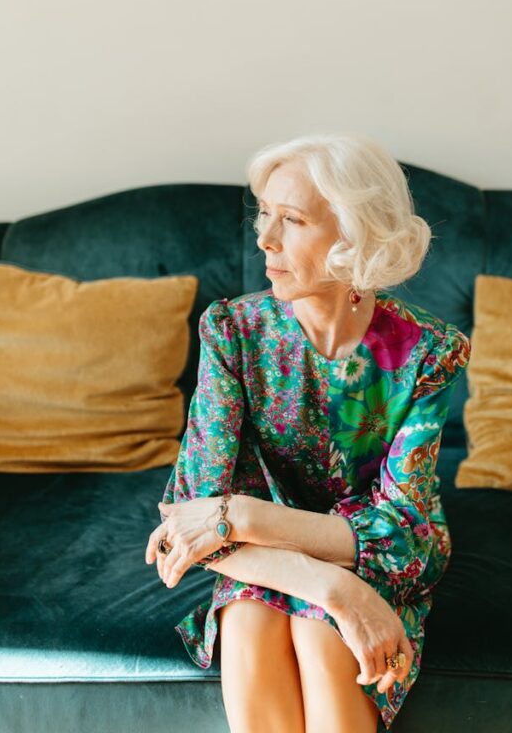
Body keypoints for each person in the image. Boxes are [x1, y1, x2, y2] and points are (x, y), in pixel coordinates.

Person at [145, 132, 471, 733]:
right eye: (264, 214)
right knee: (251, 621)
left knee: (322, 640)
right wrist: (332, 587)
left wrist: (238, 515)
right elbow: (190, 511)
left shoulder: (429, 352)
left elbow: (406, 535)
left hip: (343, 552)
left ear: (354, 235)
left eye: (291, 220)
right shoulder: (233, 330)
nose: (264, 239)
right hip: (270, 564)